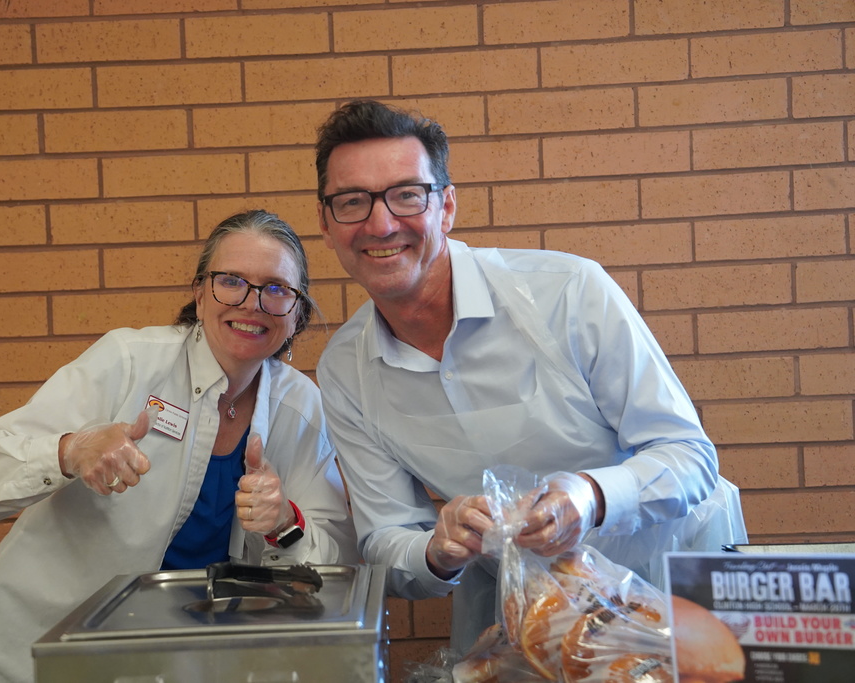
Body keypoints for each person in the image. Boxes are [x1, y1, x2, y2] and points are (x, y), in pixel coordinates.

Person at [312, 100, 747, 653]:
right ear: (326, 226)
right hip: (526, 615)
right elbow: (385, 538)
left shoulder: (567, 291)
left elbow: (688, 455)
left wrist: (590, 495)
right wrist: (435, 549)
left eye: (406, 195)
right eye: (352, 202)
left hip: (669, 582)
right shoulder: (346, 368)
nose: (380, 223)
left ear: (446, 207)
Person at [0, 209, 359, 683]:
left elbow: (336, 570)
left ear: (297, 312)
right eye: (231, 281)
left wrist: (285, 522)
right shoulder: (130, 362)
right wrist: (69, 451)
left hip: (164, 663)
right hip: (26, 655)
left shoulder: (302, 409)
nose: (252, 303)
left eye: (276, 289)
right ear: (200, 294)